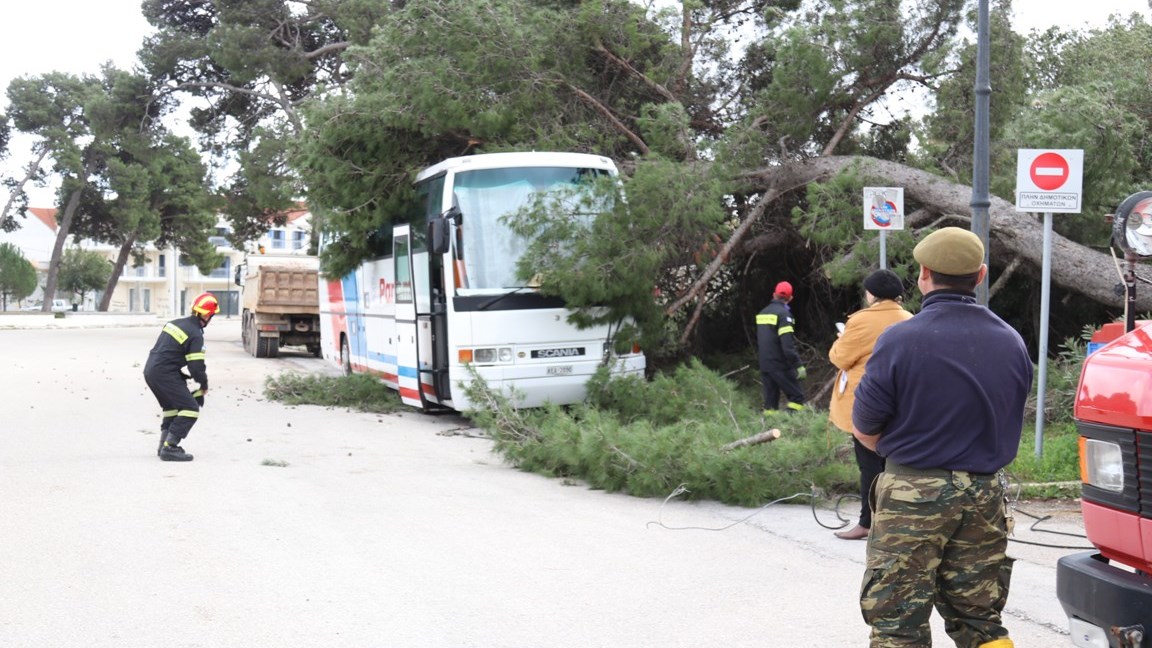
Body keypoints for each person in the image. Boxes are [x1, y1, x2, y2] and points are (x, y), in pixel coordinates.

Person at [851, 228, 1032, 648]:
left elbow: (864, 426)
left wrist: (909, 458)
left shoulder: (900, 339)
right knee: (981, 618)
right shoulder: (1011, 340)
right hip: (985, 495)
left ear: (923, 275)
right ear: (981, 275)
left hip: (913, 493)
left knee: (897, 621)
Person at [827, 269, 912, 541]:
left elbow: (840, 358)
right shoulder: (909, 319)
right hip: (901, 402)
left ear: (871, 294)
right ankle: (896, 522)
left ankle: (867, 522)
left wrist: (840, 340)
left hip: (865, 401)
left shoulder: (861, 321)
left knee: (869, 465)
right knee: (895, 464)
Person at [144, 292, 218, 462]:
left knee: (172, 407)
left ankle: (163, 445)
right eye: (211, 315)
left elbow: (167, 353)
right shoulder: (196, 334)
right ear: (207, 315)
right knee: (190, 409)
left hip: (150, 371)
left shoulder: (174, 323)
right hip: (165, 374)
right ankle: (170, 448)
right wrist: (203, 386)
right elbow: (196, 367)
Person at [756, 280, 806, 412]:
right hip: (779, 364)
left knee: (770, 404)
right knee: (797, 398)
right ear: (790, 298)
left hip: (765, 364)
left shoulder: (762, 313)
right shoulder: (784, 315)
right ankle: (788, 426)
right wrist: (798, 365)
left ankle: (768, 430)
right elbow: (787, 346)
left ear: (774, 295)